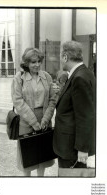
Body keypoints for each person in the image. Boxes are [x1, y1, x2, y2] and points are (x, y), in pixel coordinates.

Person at [11, 48, 57, 176]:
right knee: (28, 158)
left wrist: (46, 119)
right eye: (33, 62)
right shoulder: (19, 78)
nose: (37, 65)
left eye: (38, 62)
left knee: (42, 157)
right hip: (26, 122)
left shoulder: (47, 77)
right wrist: (34, 123)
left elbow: (53, 99)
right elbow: (18, 102)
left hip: (44, 120)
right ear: (26, 63)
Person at [53, 41, 96, 176]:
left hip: (71, 147)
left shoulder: (79, 77)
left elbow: (85, 115)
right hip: (72, 145)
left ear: (65, 56)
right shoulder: (84, 72)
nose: (61, 59)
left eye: (61, 56)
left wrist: (82, 149)